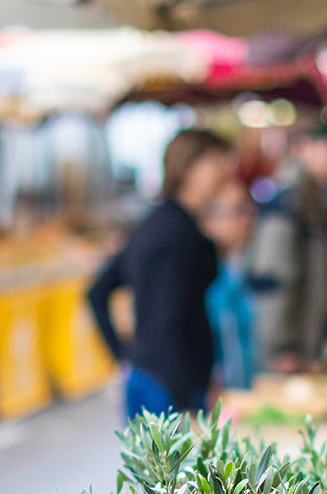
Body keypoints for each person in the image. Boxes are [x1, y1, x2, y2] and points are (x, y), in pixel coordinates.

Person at [87, 128, 233, 419]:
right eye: (217, 162)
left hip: (150, 376)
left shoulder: (158, 222)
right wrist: (186, 397)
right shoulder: (178, 232)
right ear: (190, 169)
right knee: (173, 465)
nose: (224, 171)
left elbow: (98, 291)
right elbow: (172, 318)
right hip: (169, 386)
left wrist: (127, 360)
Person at [253, 123, 327, 375]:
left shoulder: (311, 198)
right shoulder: (288, 201)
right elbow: (272, 279)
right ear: (304, 148)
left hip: (304, 344)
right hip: (286, 354)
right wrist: (281, 347)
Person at [199, 176, 258, 392]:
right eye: (238, 211)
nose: (247, 220)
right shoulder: (204, 280)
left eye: (249, 210)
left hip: (241, 399)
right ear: (209, 221)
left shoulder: (235, 272)